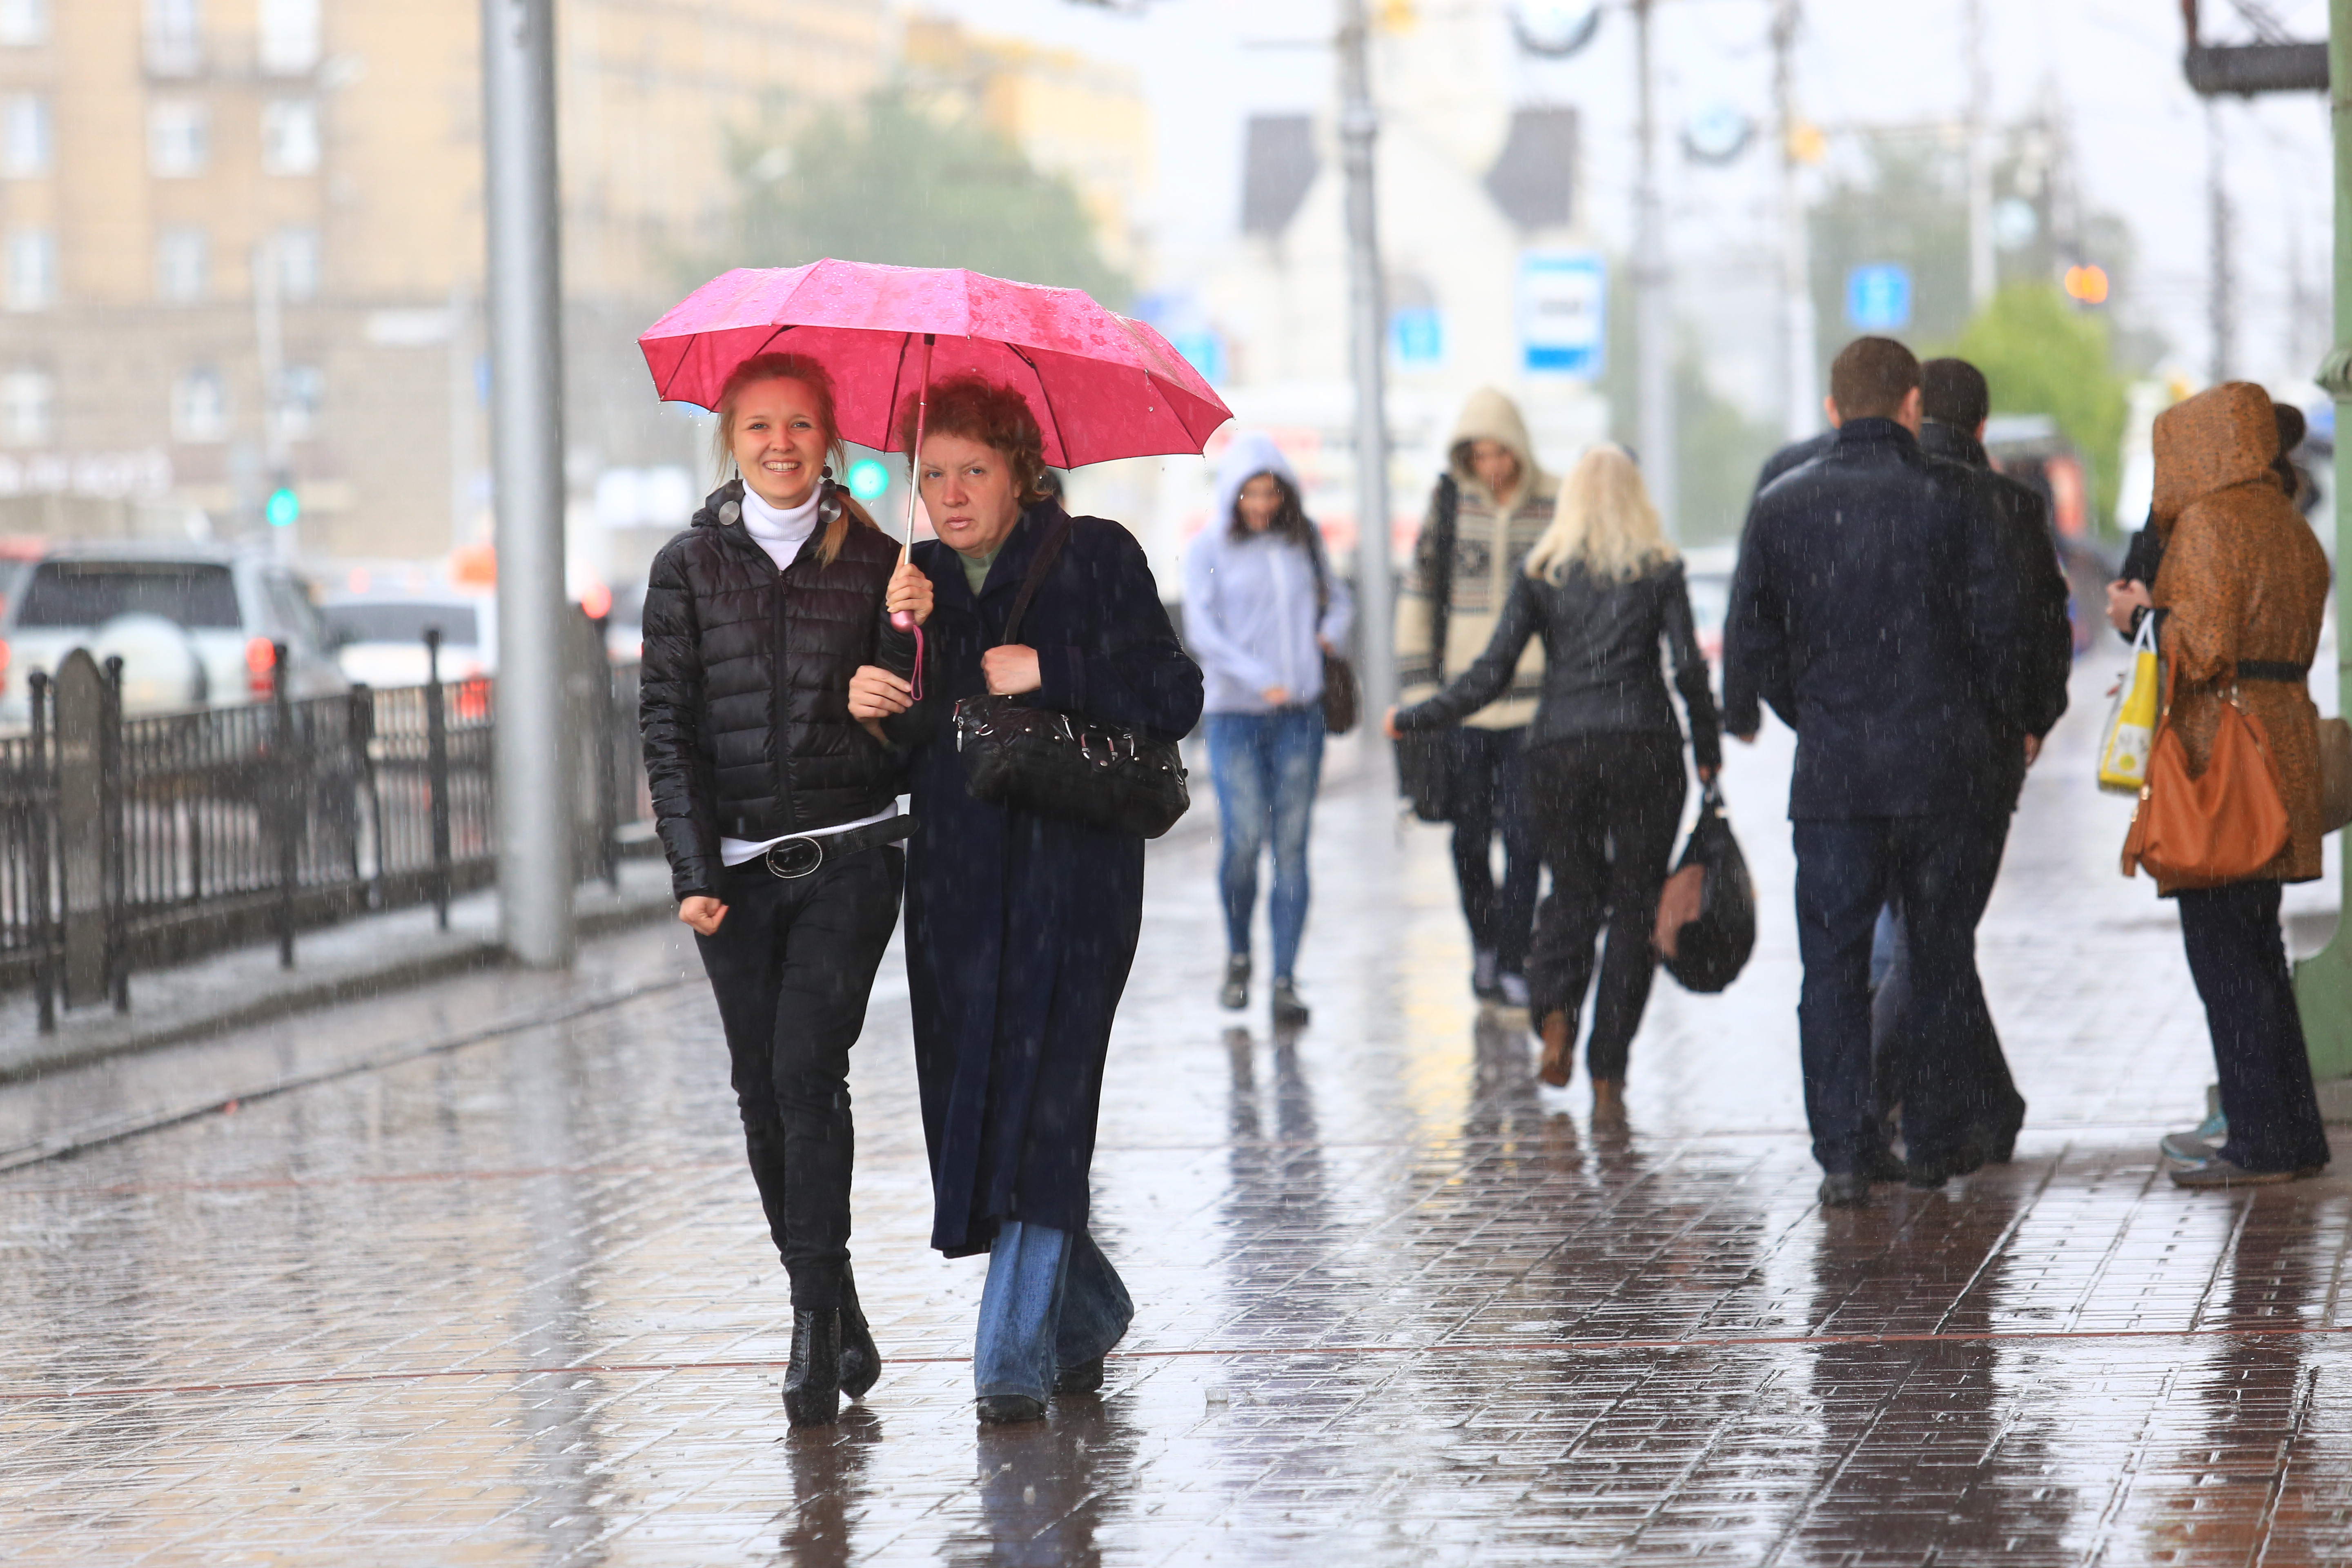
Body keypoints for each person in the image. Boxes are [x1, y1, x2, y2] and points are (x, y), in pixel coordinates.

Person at [845, 374, 1204, 1423]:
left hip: (1075, 878)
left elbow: (1173, 695)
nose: (951, 495)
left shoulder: (1098, 555)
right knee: (978, 1096)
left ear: (1021, 473)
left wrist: (1052, 667)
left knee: (1049, 1096)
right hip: (957, 881)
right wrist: (882, 686)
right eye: (934, 475)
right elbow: (913, 746)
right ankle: (1084, 1315)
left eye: (973, 472)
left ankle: (1006, 1361)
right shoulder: (915, 581)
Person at [639, 352, 921, 1427]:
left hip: (851, 858)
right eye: (759, 426)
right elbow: (665, 726)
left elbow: (914, 745)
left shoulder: (884, 564)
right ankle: (833, 1295)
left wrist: (892, 670)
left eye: (800, 425)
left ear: (829, 437)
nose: (780, 444)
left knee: (808, 1072)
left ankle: (807, 1333)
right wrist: (695, 872)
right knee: (761, 1095)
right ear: (732, 438)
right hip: (740, 881)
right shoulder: (687, 568)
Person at [1723, 336, 2030, 1209]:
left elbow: (1756, 648)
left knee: (1831, 967)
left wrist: (1821, 716)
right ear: (1910, 405)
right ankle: (1931, 1140)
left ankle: (1846, 1152)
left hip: (1835, 782)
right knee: (1936, 956)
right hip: (1942, 775)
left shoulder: (1782, 508)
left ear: (1832, 410)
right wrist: (1988, 724)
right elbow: (2000, 633)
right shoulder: (1957, 497)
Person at [1385, 445, 1720, 1126]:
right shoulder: (1660, 569)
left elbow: (1491, 672)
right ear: (1637, 499)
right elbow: (1688, 668)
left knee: (1571, 892)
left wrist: (1418, 715)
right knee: (1633, 909)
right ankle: (1607, 1068)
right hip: (1645, 748)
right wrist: (1709, 750)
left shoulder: (1541, 573)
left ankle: (1557, 1016)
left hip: (1559, 748)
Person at [1867, 357, 2075, 1159]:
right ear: (1982, 426)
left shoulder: (1876, 493)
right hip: (1979, 759)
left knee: (1929, 935)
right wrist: (2032, 722)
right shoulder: (2013, 505)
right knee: (1935, 936)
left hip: (1878, 755)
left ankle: (1976, 1110)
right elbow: (2046, 630)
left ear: (1916, 411)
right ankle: (1896, 1102)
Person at [2139, 382, 2332, 1188]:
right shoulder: (2289, 527)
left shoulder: (2212, 524)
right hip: (2282, 742)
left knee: (2224, 957)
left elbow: (2206, 644)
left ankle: (2259, 1141)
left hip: (2222, 753)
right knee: (2259, 949)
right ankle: (2294, 1135)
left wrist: (2146, 620)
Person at [1183, 432, 1353, 1026]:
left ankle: (1284, 978)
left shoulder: (1302, 544)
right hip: (1234, 717)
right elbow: (1203, 630)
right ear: (1232, 495)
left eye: (1270, 492)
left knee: (1292, 849)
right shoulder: (1208, 547)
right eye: (1250, 493)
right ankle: (1238, 953)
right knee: (1245, 839)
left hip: (1299, 718)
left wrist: (1331, 632)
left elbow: (1340, 600)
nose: (1261, 504)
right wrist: (1260, 677)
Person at [1394, 389, 1554, 1005]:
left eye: (1501, 453)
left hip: (1533, 708)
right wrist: (1419, 690)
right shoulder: (1451, 505)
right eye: (1480, 455)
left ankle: (1514, 959)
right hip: (1463, 706)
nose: (1493, 466)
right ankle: (1486, 946)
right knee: (1466, 839)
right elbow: (1418, 595)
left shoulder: (1555, 502)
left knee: (1525, 838)